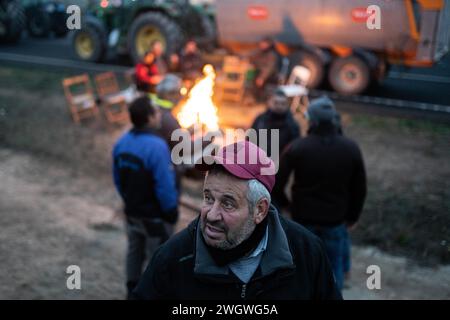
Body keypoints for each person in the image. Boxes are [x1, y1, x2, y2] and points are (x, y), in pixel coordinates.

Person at [132, 140, 342, 300]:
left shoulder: (306, 253)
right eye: (208, 198)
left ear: (259, 210)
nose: (211, 215)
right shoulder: (173, 259)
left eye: (228, 203)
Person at [272, 96, 367, 292]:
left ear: (312, 121)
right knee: (333, 270)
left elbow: (277, 183)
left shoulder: (298, 147)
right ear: (333, 119)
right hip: (335, 222)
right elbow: (360, 188)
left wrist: (287, 205)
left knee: (301, 269)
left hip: (302, 221)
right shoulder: (351, 148)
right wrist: (352, 217)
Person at [112, 96, 179, 298]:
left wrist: (129, 200)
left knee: (134, 251)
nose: (159, 114)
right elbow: (164, 185)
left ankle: (131, 291)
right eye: (156, 111)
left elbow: (117, 179)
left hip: (131, 212)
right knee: (157, 258)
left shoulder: (122, 142)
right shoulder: (156, 146)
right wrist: (170, 211)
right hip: (154, 218)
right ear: (149, 118)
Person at [251, 88, 300, 157]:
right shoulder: (260, 119)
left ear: (287, 105)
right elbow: (250, 139)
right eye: (276, 103)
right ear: (269, 102)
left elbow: (294, 149)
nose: (279, 106)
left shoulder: (292, 126)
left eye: (283, 104)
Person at [248, 37, 279, 102]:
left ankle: (258, 100)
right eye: (261, 44)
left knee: (255, 80)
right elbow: (252, 55)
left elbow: (269, 68)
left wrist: (262, 78)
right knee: (249, 75)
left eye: (264, 44)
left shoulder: (272, 54)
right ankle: (253, 98)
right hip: (260, 72)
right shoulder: (261, 51)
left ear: (269, 45)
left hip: (270, 75)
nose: (261, 45)